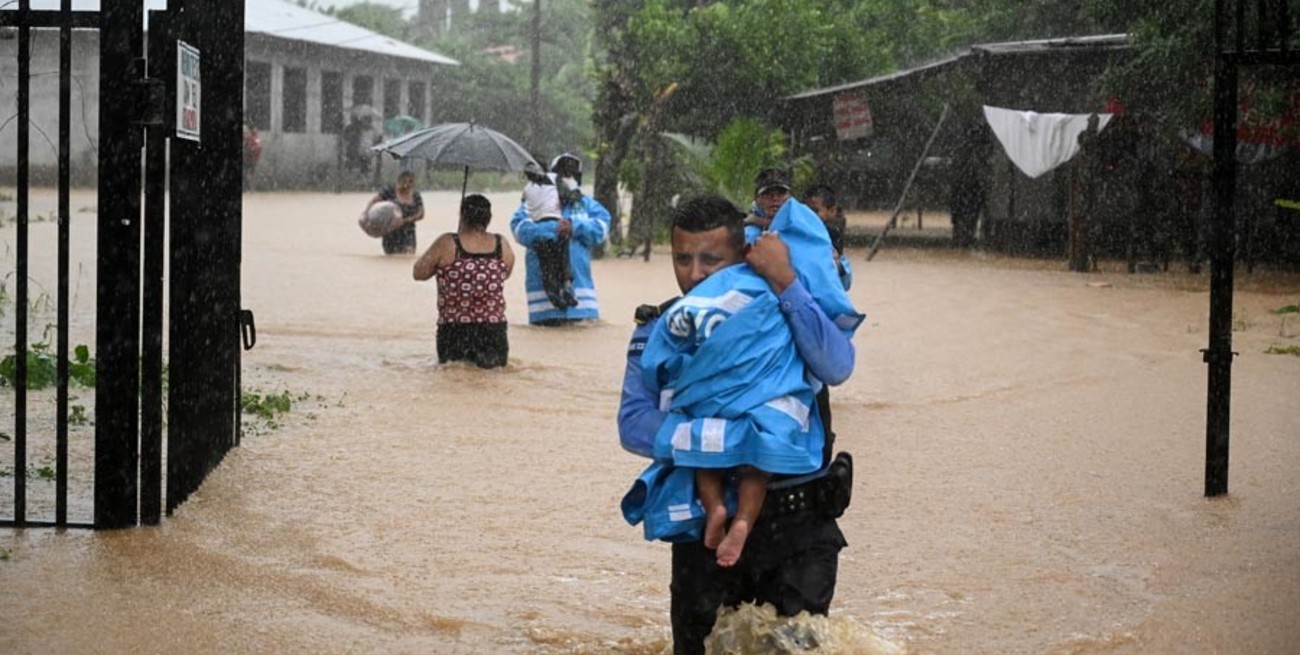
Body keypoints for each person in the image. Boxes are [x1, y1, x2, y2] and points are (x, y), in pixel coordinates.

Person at [619, 195, 860, 654]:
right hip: (704, 535)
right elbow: (634, 424)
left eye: (711, 260)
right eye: (682, 259)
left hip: (798, 525)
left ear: (742, 256)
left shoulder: (785, 307)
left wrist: (786, 282)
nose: (694, 275)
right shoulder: (663, 327)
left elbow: (836, 366)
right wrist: (734, 442)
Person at [412, 194, 515, 368]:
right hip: (494, 331)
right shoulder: (501, 244)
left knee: (455, 382)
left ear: (462, 216)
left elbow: (418, 272)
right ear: (488, 218)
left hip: (455, 331)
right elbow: (506, 274)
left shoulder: (447, 243)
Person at [510, 153, 611, 325]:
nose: (567, 178)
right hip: (543, 304)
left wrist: (574, 226)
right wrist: (550, 230)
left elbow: (602, 228)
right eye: (562, 173)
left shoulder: (586, 204)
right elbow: (518, 228)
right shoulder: (533, 202)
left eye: (571, 173)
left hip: (582, 303)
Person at [520, 161, 577, 309]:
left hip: (538, 230)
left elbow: (524, 207)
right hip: (556, 226)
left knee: (547, 264)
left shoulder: (526, 189)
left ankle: (552, 292)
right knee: (564, 258)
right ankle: (567, 286)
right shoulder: (553, 178)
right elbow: (568, 196)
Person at [803, 183, 853, 290]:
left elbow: (844, 283)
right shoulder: (797, 233)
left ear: (832, 211)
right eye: (805, 210)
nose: (809, 214)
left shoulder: (832, 235)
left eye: (815, 211)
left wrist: (837, 263)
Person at [365, 170, 424, 255]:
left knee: (408, 257)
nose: (408, 185)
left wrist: (406, 220)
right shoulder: (389, 191)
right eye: (405, 181)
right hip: (390, 232)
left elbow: (421, 213)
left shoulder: (415, 195)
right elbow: (374, 201)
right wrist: (367, 214)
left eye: (411, 182)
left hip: (408, 232)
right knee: (391, 257)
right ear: (399, 181)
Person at [242, 121, 262, 192]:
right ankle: (249, 188)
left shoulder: (254, 138)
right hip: (247, 159)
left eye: (246, 132)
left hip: (251, 159)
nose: (245, 134)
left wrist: (252, 149)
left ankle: (251, 188)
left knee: (250, 174)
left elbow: (258, 148)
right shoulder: (248, 139)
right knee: (248, 173)